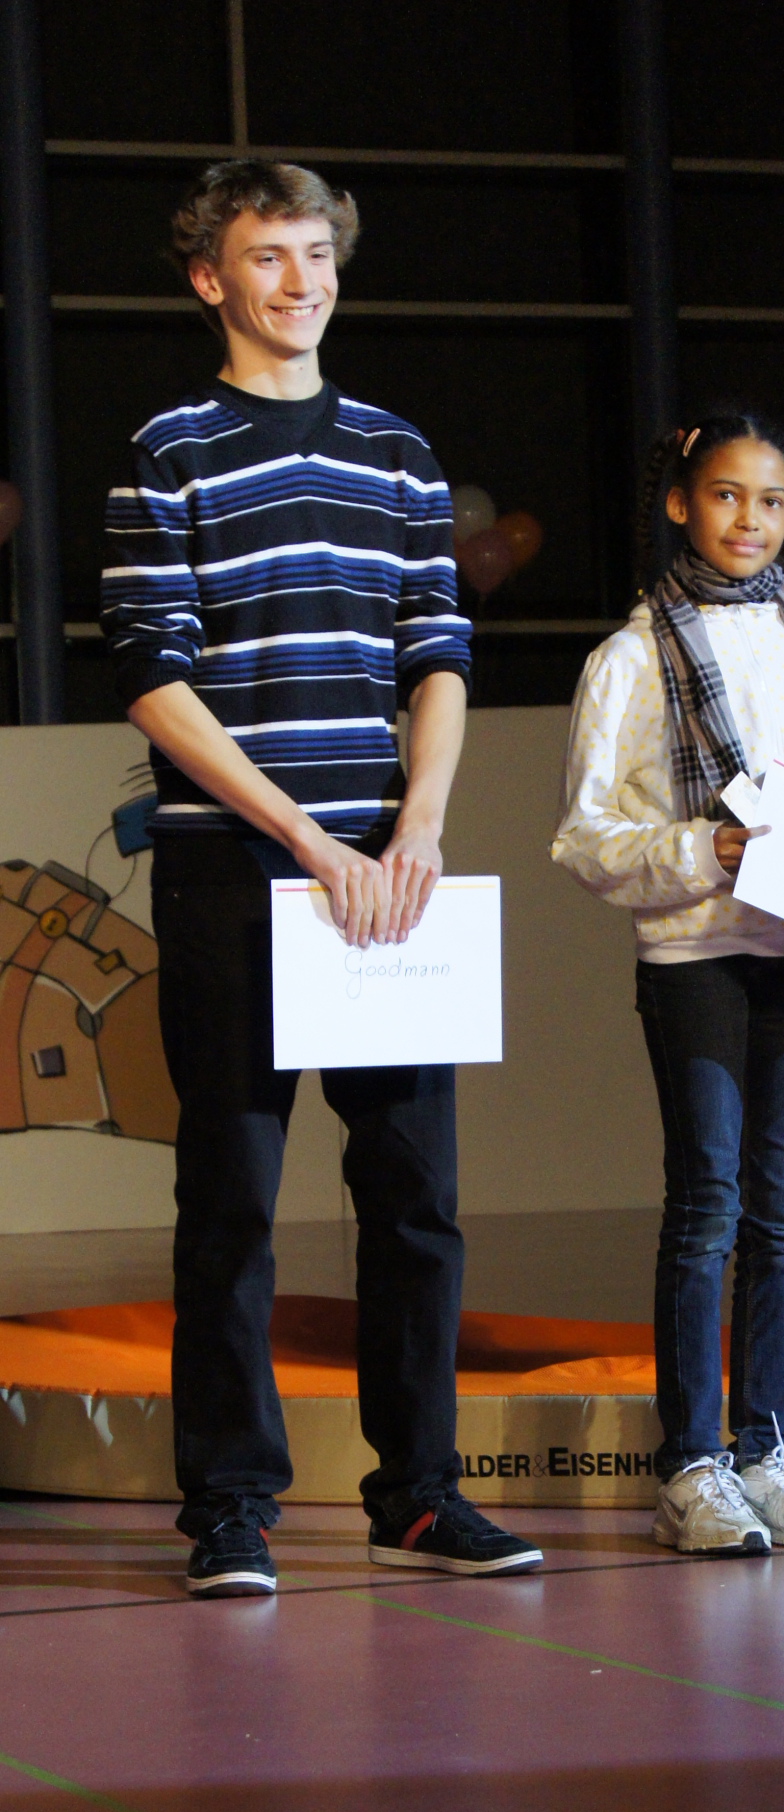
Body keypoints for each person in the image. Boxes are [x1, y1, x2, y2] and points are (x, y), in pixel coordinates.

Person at [101, 159, 542, 1593]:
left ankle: (419, 1491)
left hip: (388, 883)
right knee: (231, 1196)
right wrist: (307, 839)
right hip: (237, 870)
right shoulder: (168, 447)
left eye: (317, 254)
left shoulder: (399, 453)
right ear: (209, 278)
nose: (301, 281)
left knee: (414, 1198)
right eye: (268, 256)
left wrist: (419, 831)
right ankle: (230, 1503)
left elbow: (438, 656)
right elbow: (152, 679)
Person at [552, 410, 784, 1556]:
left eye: (773, 499)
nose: (751, 518)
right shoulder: (630, 655)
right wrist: (712, 847)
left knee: (779, 1214)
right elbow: (586, 839)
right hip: (696, 953)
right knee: (707, 1205)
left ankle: (766, 1449)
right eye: (728, 494)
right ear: (680, 503)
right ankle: (690, 1463)